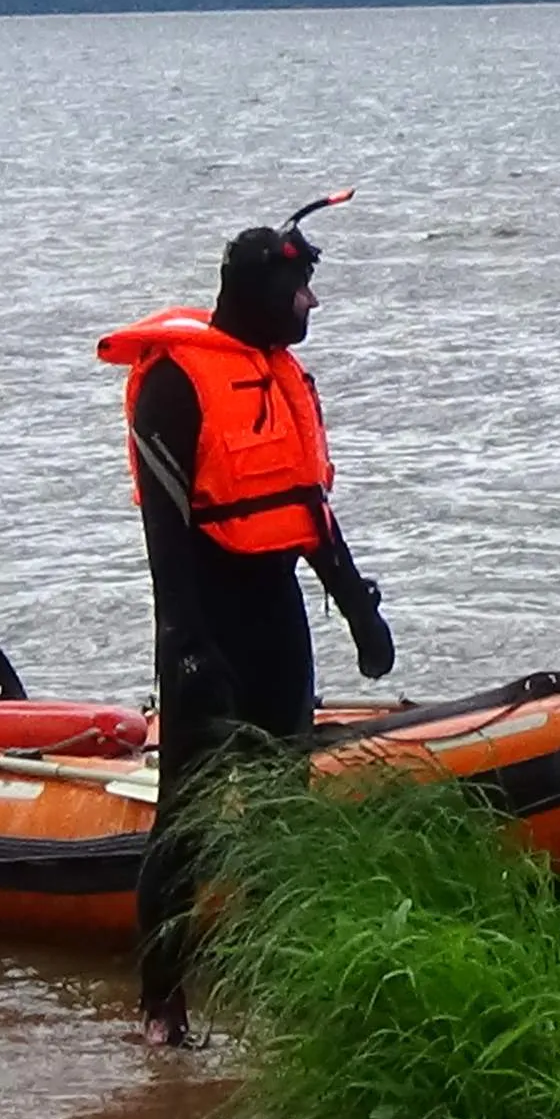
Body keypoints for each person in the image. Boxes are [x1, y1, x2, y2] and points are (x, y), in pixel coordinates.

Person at [96, 191, 396, 1045]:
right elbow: (166, 531)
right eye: (301, 292)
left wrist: (358, 610)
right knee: (186, 819)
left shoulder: (284, 378)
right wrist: (184, 645)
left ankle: (279, 992)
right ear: (264, 291)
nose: (313, 306)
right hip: (205, 620)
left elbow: (307, 509)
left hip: (276, 614)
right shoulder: (175, 382)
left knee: (284, 811)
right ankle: (162, 1004)